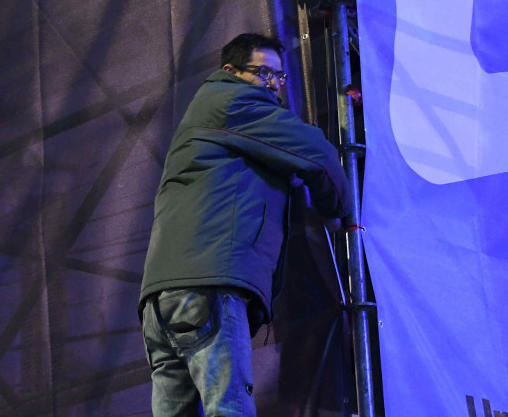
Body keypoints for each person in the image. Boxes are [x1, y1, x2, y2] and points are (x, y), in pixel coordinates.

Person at [140, 32, 354, 417]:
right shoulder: (233, 102)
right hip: (206, 286)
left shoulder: (210, 113)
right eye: (262, 73)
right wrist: (342, 212)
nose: (273, 86)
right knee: (230, 409)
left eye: (279, 77)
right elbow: (319, 155)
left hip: (162, 300)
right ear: (231, 72)